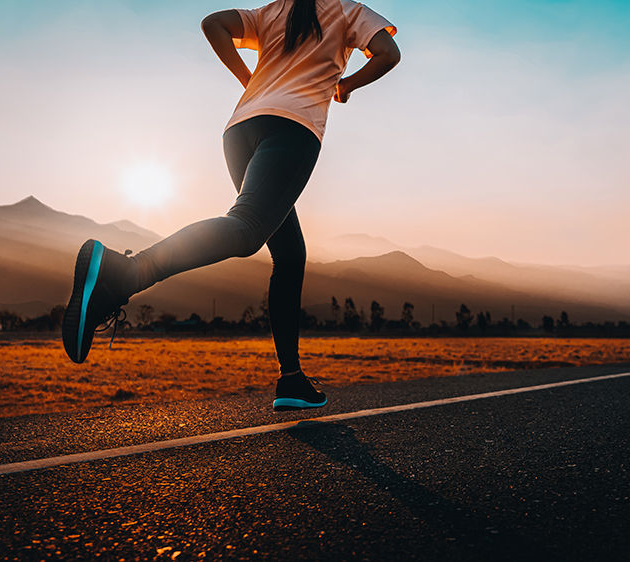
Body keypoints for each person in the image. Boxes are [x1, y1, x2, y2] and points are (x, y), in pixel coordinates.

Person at [61, 0, 399, 411]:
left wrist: (250, 79)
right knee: (247, 228)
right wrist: (344, 86)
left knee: (290, 255)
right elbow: (387, 54)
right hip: (294, 129)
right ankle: (125, 272)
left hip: (241, 129)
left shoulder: (276, 10)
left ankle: (291, 379)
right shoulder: (350, 11)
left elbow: (214, 24)